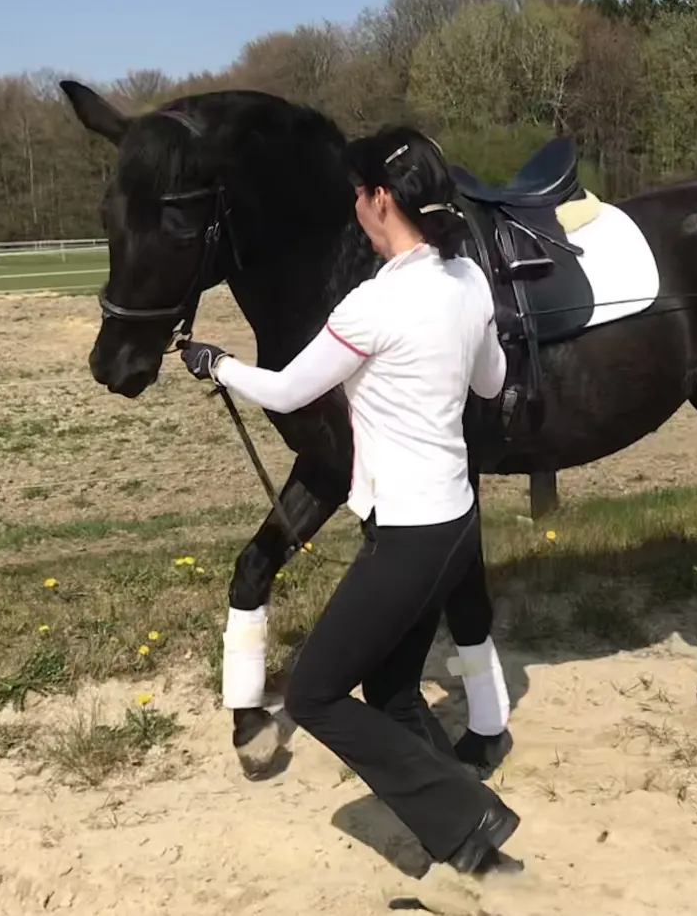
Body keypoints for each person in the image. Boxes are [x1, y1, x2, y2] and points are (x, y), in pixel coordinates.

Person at [177, 128, 521, 879]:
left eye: (358, 194)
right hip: (457, 524)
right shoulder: (467, 282)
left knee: (318, 691)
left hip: (406, 536)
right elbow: (492, 382)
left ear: (380, 200)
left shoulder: (372, 304)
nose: (354, 207)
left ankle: (468, 817)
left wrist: (218, 362)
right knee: (392, 689)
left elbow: (289, 388)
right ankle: (471, 836)